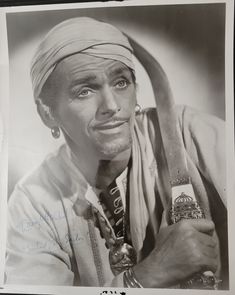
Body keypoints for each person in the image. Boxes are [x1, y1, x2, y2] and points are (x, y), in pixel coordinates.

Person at [5, 17, 228, 289]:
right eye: (85, 90)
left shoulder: (190, 136)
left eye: (121, 83)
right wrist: (145, 277)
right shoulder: (33, 203)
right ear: (47, 114)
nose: (111, 106)